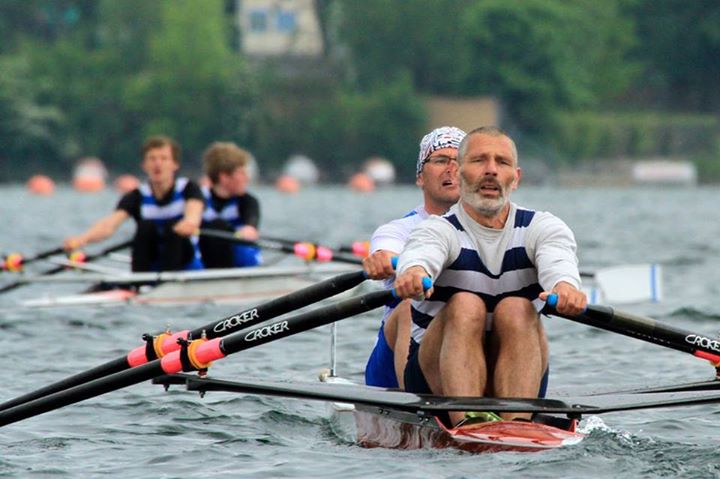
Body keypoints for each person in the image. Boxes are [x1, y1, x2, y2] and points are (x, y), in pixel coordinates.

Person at [393, 126, 587, 426]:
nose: (491, 171)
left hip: (516, 369)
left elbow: (558, 263)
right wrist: (414, 273)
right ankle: (468, 422)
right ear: (458, 174)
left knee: (516, 307)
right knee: (466, 304)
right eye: (480, 160)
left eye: (502, 162)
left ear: (516, 178)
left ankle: (518, 425)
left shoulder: (543, 227)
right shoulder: (438, 229)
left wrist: (566, 288)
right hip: (435, 382)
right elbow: (422, 254)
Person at [363, 126, 465, 389]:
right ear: (420, 176)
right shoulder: (398, 230)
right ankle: (412, 402)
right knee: (410, 303)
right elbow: (386, 249)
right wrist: (382, 259)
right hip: (390, 372)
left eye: (460, 161)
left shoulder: (492, 231)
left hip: (463, 346)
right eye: (441, 160)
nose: (451, 169)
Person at [64, 136, 205, 272]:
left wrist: (189, 223)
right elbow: (109, 225)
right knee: (145, 228)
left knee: (171, 226)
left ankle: (165, 282)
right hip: (152, 264)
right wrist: (82, 239)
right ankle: (139, 282)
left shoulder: (188, 188)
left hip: (186, 264)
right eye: (152, 159)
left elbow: (194, 212)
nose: (158, 164)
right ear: (144, 165)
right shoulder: (137, 196)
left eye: (164, 158)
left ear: (175, 164)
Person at [198, 142, 262, 268]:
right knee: (216, 226)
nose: (247, 178)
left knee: (220, 227)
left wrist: (250, 228)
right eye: (242, 173)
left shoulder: (247, 202)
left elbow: (251, 221)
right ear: (224, 177)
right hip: (208, 259)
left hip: (240, 263)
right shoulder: (197, 200)